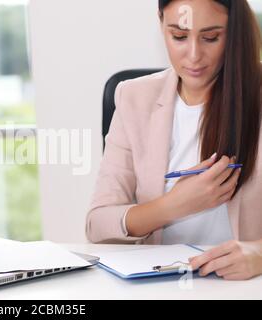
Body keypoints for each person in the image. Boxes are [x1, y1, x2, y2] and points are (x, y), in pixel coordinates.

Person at [86, 0, 262, 280]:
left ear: (235, 32)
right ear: (160, 23)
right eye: (179, 36)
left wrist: (260, 254)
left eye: (211, 37)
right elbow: (98, 224)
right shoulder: (133, 97)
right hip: (162, 284)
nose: (194, 56)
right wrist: (174, 205)